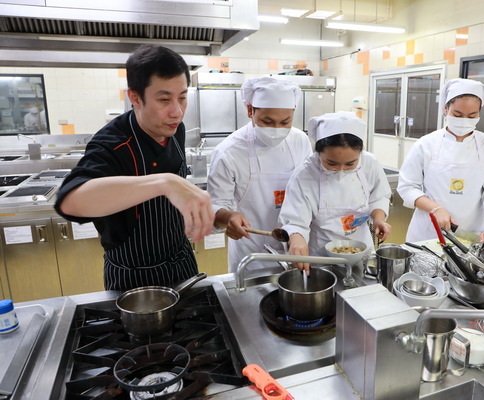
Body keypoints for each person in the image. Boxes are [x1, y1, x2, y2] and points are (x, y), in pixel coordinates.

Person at [54, 45, 214, 291]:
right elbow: (70, 202)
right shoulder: (112, 142)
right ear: (135, 98)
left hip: (181, 262)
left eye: (182, 97)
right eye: (164, 100)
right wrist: (165, 183)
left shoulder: (175, 129)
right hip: (132, 277)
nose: (177, 112)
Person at [207, 77, 312, 273]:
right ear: (250, 110)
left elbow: (310, 191)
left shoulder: (300, 141)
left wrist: (298, 232)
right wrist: (228, 217)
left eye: (285, 122)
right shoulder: (229, 152)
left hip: (297, 251)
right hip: (252, 256)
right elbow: (215, 205)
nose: (276, 129)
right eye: (267, 121)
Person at [396, 78, 484, 247]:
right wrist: (436, 209)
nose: (464, 120)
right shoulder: (426, 144)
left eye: (472, 116)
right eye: (457, 115)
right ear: (445, 108)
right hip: (427, 233)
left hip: (473, 235)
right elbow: (407, 187)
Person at [279, 111, 392, 273]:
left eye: (350, 164)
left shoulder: (370, 163)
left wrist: (378, 219)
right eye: (331, 163)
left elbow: (379, 196)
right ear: (318, 152)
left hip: (362, 253)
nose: (340, 170)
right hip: (322, 259)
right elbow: (295, 221)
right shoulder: (304, 175)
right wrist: (296, 239)